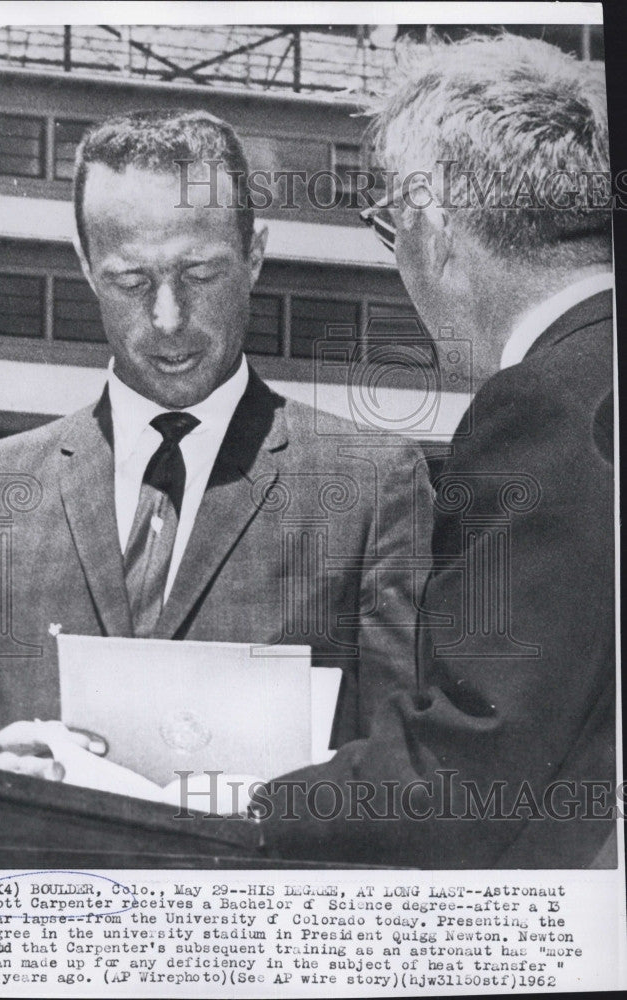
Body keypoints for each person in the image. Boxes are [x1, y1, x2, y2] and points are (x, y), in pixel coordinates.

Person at [0, 110, 432, 782]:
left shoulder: (375, 485)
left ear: (254, 256)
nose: (168, 320)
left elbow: (409, 762)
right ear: (84, 265)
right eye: (131, 282)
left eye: (199, 275)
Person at [254, 35, 616, 868]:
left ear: (435, 223)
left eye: (391, 230)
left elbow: (465, 772)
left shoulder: (541, 407)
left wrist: (236, 806)